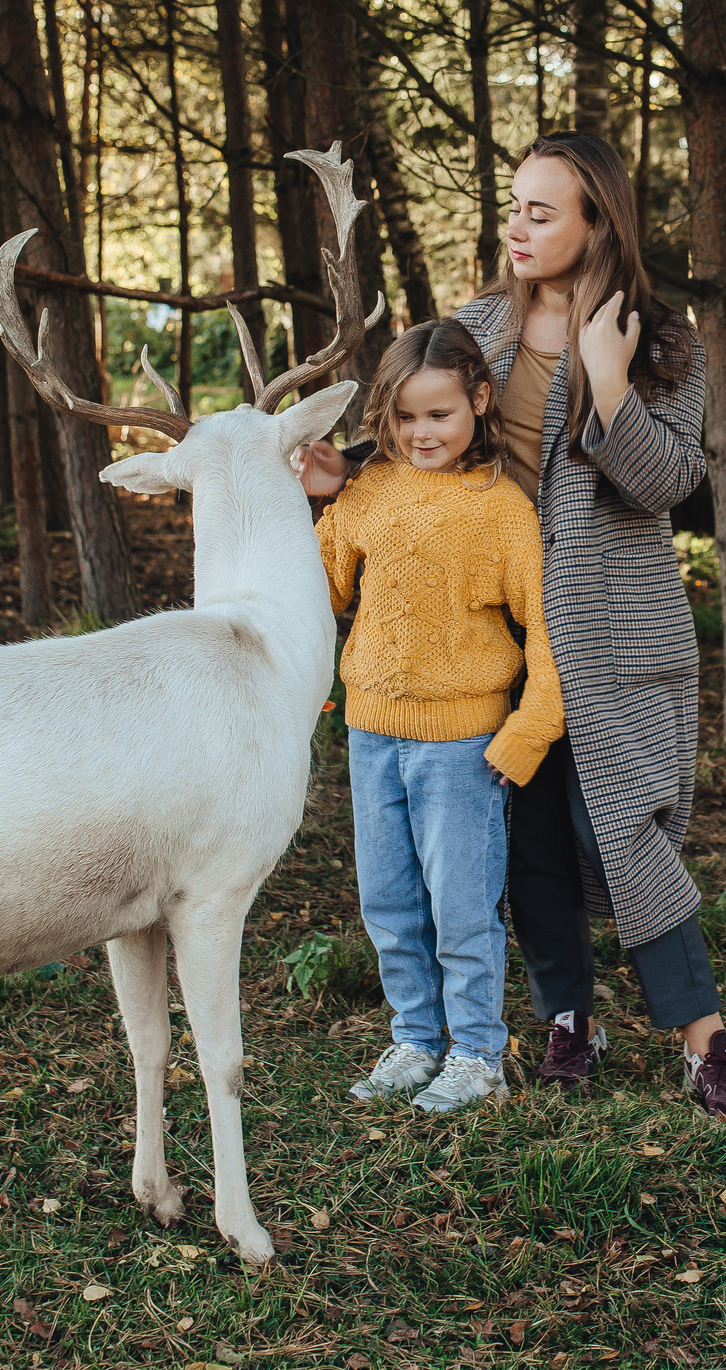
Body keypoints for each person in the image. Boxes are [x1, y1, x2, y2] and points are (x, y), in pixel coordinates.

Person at [299, 131, 726, 1117]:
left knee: (622, 830)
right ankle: (567, 1018)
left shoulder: (661, 341)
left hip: (612, 633)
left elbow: (670, 484)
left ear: (599, 223)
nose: (516, 226)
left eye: (541, 212)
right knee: (533, 833)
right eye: (513, 206)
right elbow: (425, 434)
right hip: (494, 629)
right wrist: (345, 473)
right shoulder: (480, 326)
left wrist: (607, 379)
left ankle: (707, 1038)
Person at [310, 320, 562, 1113]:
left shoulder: (503, 510)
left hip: (464, 746)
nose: (421, 432)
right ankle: (416, 1037)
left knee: (461, 905)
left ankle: (478, 1053)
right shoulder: (370, 490)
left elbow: (548, 629)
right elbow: (323, 588)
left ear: (479, 400)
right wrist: (315, 496)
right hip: (370, 734)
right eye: (405, 416)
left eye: (439, 414)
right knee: (387, 899)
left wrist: (529, 731)